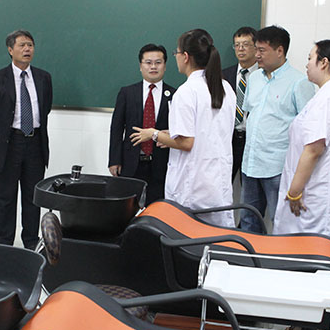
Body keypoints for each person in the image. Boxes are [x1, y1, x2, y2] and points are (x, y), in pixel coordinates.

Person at [131, 29, 235, 227]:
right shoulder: (225, 87)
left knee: (189, 237)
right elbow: (207, 131)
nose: (176, 57)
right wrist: (169, 135)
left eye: (176, 53)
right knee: (216, 238)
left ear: (185, 57)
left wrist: (153, 134)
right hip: (217, 182)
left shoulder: (186, 91)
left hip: (193, 185)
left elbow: (186, 142)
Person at [274, 40, 330, 256]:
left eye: (310, 58)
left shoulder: (329, 97)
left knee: (311, 254)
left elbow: (313, 150)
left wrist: (294, 192)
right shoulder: (328, 93)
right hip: (315, 191)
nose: (307, 64)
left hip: (315, 195)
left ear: (324, 63)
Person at [238, 25, 316, 233]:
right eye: (256, 49)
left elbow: (308, 129)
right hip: (250, 163)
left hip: (278, 167)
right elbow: (250, 115)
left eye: (262, 50)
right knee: (248, 221)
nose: (257, 55)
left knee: (280, 222)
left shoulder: (299, 82)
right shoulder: (254, 78)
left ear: (280, 50)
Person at [0, 30, 52, 248]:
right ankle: (3, 244)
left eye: (30, 45)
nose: (27, 49)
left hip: (35, 142)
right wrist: (5, 130)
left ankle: (31, 241)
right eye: (22, 45)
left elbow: (45, 108)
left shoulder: (43, 77)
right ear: (10, 49)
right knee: (5, 196)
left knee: (33, 197)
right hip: (9, 143)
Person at [108, 44, 174, 203]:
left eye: (158, 62)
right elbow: (117, 128)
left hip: (161, 164)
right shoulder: (127, 93)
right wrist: (114, 160)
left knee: (157, 209)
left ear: (165, 66)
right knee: (127, 209)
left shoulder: (175, 94)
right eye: (148, 62)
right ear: (140, 66)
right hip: (130, 162)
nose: (153, 67)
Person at [222, 26, 257, 184]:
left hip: (252, 140)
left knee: (250, 188)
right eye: (237, 45)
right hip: (228, 139)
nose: (240, 49)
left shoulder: (263, 76)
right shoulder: (224, 75)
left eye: (245, 44)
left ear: (256, 47)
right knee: (223, 183)